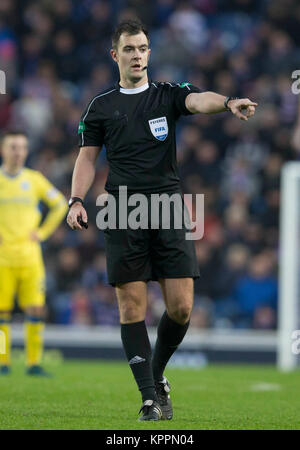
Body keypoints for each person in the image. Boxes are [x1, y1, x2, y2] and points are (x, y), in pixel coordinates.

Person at [67, 19, 257, 421]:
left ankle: (156, 373)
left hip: (169, 206)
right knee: (131, 306)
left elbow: (198, 99)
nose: (138, 55)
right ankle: (149, 398)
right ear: (115, 55)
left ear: (149, 52)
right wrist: (75, 200)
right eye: (131, 49)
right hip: (121, 209)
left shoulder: (166, 95)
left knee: (182, 307)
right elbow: (87, 158)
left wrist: (227, 102)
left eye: (143, 48)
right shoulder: (100, 106)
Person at [0, 131, 68, 376]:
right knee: (2, 312)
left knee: (36, 309)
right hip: (3, 257)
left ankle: (33, 362)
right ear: (3, 150)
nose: (18, 152)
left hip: (30, 256)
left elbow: (60, 204)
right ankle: (2, 360)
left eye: (22, 147)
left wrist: (42, 233)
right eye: (13, 147)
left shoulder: (34, 179)